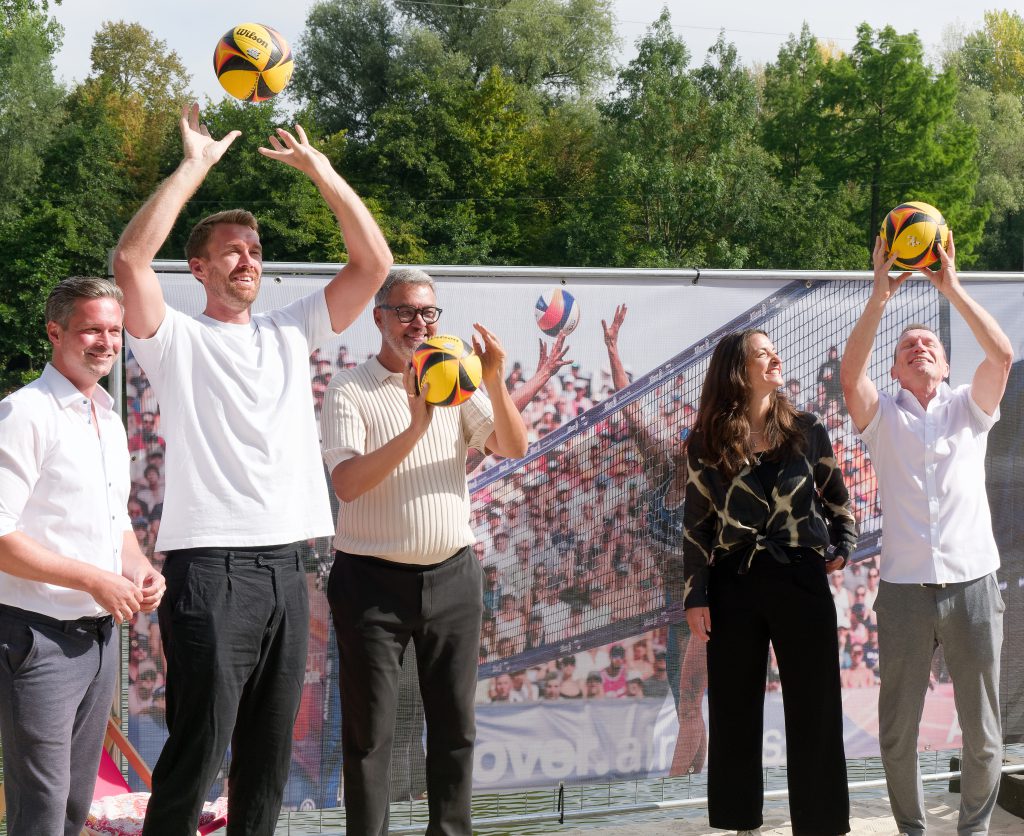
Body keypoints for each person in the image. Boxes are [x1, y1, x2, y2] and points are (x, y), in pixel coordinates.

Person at [113, 104, 391, 836]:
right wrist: (192, 168)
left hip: (288, 569)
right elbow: (130, 264)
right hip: (209, 571)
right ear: (199, 268)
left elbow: (375, 265)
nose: (248, 260)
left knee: (266, 762)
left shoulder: (289, 328)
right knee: (197, 752)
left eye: (256, 250)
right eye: (231, 251)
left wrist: (323, 174)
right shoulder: (173, 338)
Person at [320, 267, 528, 835]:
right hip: (370, 583)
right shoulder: (350, 387)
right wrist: (416, 425)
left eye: (429, 312)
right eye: (407, 311)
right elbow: (348, 484)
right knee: (371, 733)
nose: (419, 322)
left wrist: (495, 380)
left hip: (452, 577)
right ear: (380, 317)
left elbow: (512, 444)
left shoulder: (456, 381)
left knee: (455, 726)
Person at [840, 233, 1012, 836]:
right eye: (908, 346)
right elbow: (848, 373)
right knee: (898, 730)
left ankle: (973, 831)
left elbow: (1003, 356)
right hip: (905, 590)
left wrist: (952, 287)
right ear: (894, 367)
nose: (919, 347)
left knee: (984, 728)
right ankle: (912, 831)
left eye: (930, 343)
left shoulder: (970, 407)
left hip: (973, 583)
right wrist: (880, 298)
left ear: (945, 362)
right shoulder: (881, 414)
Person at [0, 277, 164, 835]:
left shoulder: (107, 416)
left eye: (114, 330)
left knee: (74, 805)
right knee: (41, 809)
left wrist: (136, 566)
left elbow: (115, 520)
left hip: (98, 636)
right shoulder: (25, 412)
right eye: (92, 328)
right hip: (35, 637)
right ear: (55, 331)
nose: (106, 341)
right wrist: (95, 578)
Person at [683, 328, 856, 836]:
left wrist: (841, 548)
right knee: (734, 708)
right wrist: (696, 596)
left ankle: (821, 824)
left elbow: (838, 501)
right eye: (762, 354)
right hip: (732, 580)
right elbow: (696, 527)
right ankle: (741, 822)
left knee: (815, 705)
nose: (775, 358)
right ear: (738, 370)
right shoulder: (704, 441)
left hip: (800, 577)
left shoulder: (807, 429)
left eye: (772, 351)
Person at [601, 304, 708, 775]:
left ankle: (675, 786)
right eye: (688, 440)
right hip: (673, 609)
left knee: (688, 704)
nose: (689, 446)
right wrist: (613, 350)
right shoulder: (663, 473)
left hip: (703, 608)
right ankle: (694, 786)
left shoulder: (712, 490)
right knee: (687, 704)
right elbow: (630, 409)